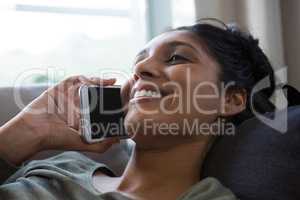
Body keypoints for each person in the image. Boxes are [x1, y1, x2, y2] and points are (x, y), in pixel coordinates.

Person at [0, 20, 275, 200]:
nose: (140, 70)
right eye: (138, 62)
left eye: (176, 57)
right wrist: (22, 134)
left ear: (230, 99)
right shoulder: (59, 168)